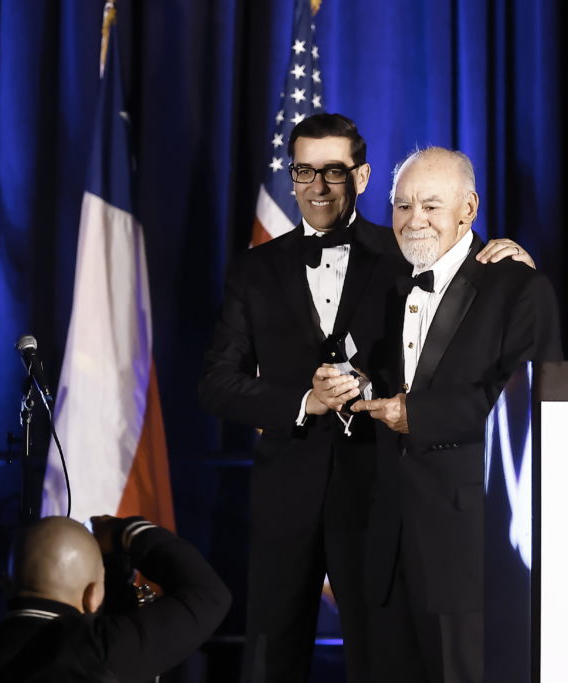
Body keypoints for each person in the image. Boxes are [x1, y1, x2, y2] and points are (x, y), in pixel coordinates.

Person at [199, 114, 533, 683]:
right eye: (305, 171)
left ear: (362, 175)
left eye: (335, 171)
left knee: (381, 663)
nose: (319, 187)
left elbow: (466, 299)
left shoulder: (407, 250)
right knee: (267, 661)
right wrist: (304, 399)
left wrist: (506, 256)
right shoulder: (255, 270)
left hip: (380, 499)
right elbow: (217, 384)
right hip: (288, 499)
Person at [331, 146, 561, 683]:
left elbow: (526, 401)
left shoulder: (519, 288)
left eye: (431, 206)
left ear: (469, 209)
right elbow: (371, 371)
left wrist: (417, 415)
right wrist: (348, 384)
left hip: (469, 552)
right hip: (385, 550)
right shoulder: (384, 284)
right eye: (403, 205)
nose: (414, 220)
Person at [0, 515, 230, 683]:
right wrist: (124, 531)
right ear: (93, 594)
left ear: (11, 583)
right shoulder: (97, 650)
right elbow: (208, 594)